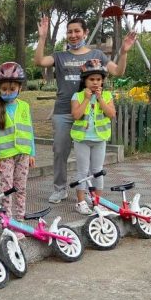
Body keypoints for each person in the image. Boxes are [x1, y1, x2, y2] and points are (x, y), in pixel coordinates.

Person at [34, 16, 135, 204]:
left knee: (89, 158)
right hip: (64, 111)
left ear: (85, 32)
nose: (73, 35)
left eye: (77, 31)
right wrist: (42, 38)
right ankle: (60, 189)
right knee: (60, 151)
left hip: (89, 114)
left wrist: (123, 53)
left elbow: (118, 72)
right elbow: (39, 61)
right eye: (70, 31)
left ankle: (89, 191)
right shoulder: (59, 56)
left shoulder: (97, 55)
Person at [0, 62, 36, 239]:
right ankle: (7, 223)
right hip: (5, 156)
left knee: (21, 188)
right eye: (4, 89)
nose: (7, 92)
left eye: (11, 88)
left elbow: (30, 129)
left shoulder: (24, 106)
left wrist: (32, 152)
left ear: (19, 88)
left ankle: (20, 222)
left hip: (23, 154)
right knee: (6, 190)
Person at [70, 59, 116, 215]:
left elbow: (111, 114)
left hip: (99, 139)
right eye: (91, 79)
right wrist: (88, 99)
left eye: (98, 79)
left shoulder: (107, 95)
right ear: (85, 81)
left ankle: (97, 200)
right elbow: (76, 115)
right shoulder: (77, 96)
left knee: (97, 170)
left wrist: (100, 98)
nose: (95, 82)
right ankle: (81, 202)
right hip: (82, 139)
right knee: (82, 171)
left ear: (102, 81)